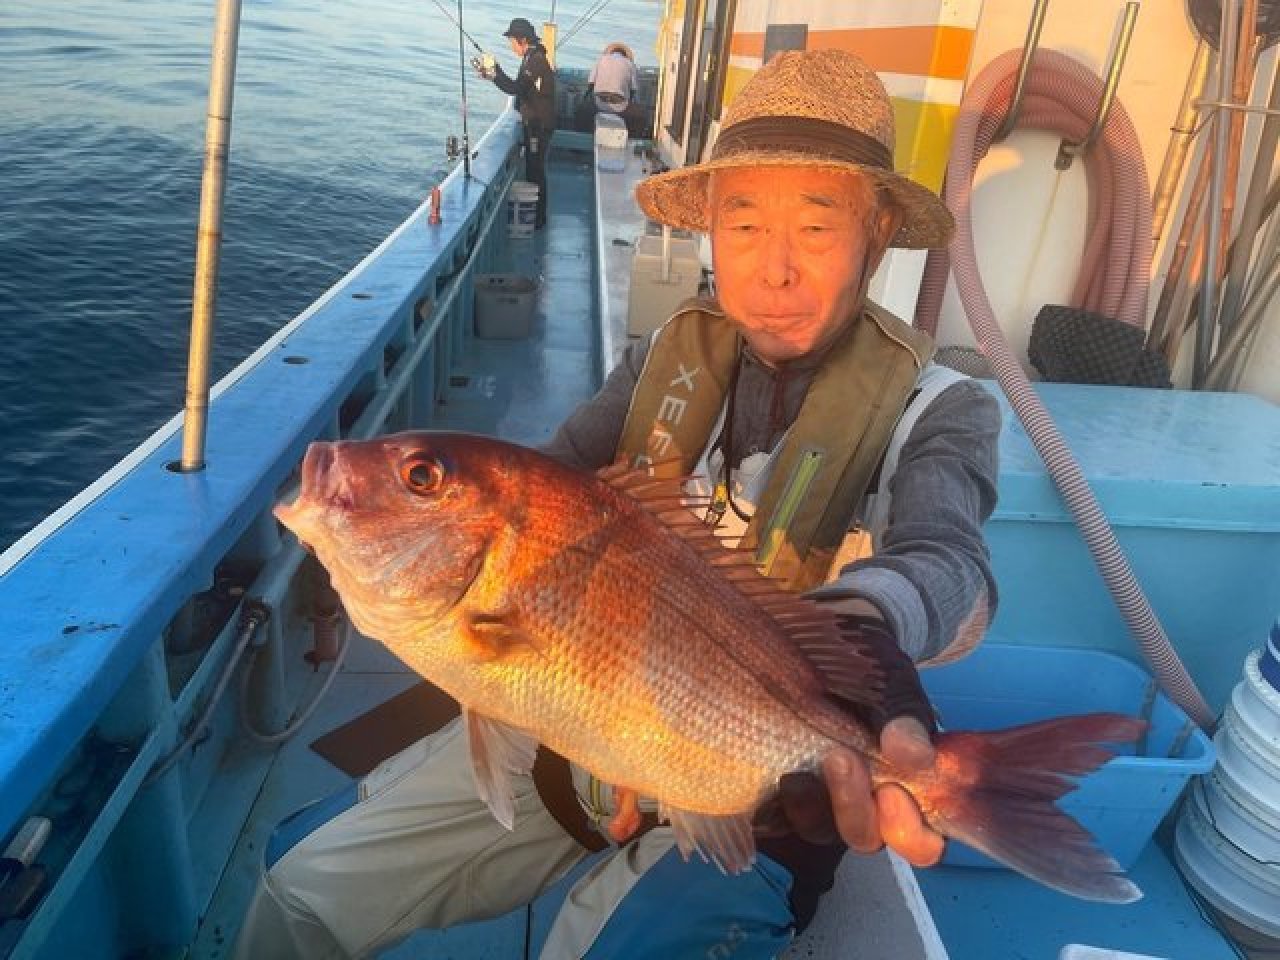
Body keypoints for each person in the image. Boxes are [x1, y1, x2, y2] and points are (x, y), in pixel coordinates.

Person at [233, 48, 1000, 960]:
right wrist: (398, 538)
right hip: (569, 732)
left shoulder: (943, 408)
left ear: (875, 235)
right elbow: (539, 490)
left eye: (818, 228)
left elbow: (952, 564)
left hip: (763, 790)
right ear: (711, 229)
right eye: (745, 225)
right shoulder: (663, 357)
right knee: (300, 891)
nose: (775, 269)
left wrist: (868, 618)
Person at [479, 18, 555, 229]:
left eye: (512, 41)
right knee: (534, 169)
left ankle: (538, 219)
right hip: (535, 123)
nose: (511, 46)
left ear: (522, 40)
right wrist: (494, 73)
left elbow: (516, 89)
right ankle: (538, 217)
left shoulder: (535, 61)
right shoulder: (532, 57)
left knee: (535, 171)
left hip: (539, 126)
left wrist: (495, 73)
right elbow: (519, 87)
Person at [574, 42, 648, 137]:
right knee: (641, 115)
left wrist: (585, 99)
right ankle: (632, 140)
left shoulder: (600, 60)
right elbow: (634, 89)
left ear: (610, 52)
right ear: (625, 55)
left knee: (581, 110)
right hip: (620, 105)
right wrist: (630, 102)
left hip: (599, 102)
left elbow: (591, 83)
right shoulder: (630, 64)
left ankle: (582, 138)